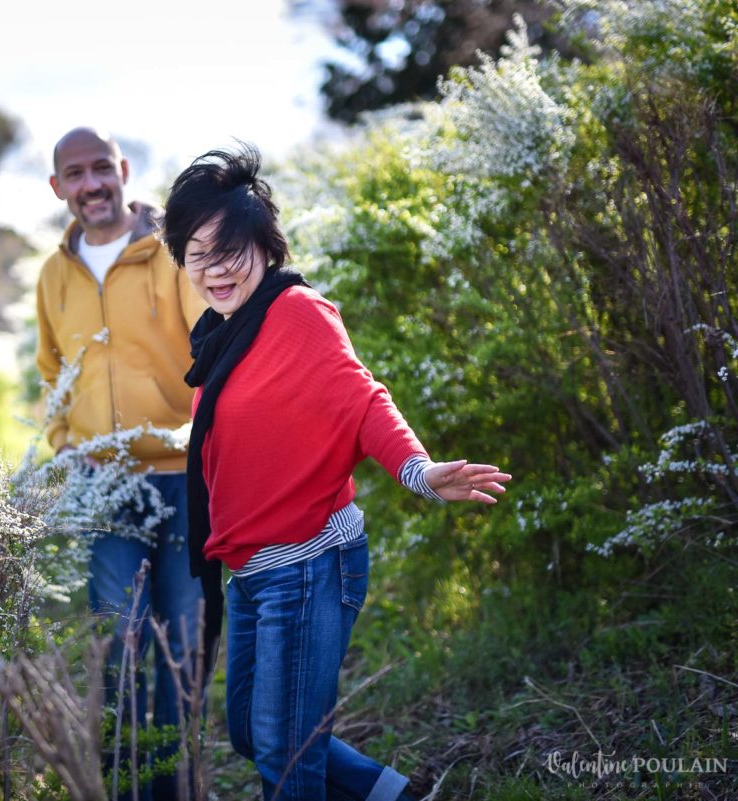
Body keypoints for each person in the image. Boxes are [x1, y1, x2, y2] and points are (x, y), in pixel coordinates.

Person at [161, 145, 512, 801]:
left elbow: (362, 397)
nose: (214, 268)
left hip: (308, 560)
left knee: (286, 756)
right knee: (252, 734)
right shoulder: (223, 332)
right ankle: (399, 795)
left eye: (229, 248)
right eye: (196, 253)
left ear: (265, 245)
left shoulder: (297, 313)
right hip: (255, 571)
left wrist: (419, 470)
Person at [35, 127, 209, 798]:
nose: (91, 185)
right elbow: (51, 366)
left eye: (101, 168)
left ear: (124, 170)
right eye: (75, 174)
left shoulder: (170, 250)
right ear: (58, 187)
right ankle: (132, 787)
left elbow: (211, 340)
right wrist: (61, 438)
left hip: (181, 477)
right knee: (120, 647)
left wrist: (203, 432)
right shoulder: (55, 272)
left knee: (184, 648)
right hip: (101, 487)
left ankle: (177, 783)